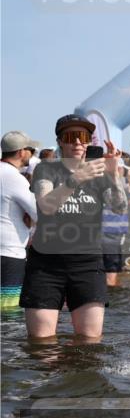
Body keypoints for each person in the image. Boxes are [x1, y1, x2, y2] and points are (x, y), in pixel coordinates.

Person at [19, 114, 127, 340]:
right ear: (60, 141)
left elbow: (119, 207)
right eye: (71, 136)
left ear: (89, 141)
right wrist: (76, 179)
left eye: (84, 136)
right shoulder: (46, 170)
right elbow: (46, 206)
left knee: (89, 342)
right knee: (42, 344)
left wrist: (113, 174)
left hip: (87, 264)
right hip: (46, 265)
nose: (78, 142)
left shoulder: (98, 173)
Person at [1, 131, 40, 310]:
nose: (31, 154)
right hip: (9, 253)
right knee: (8, 311)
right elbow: (40, 213)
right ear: (21, 152)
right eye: (30, 149)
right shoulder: (14, 177)